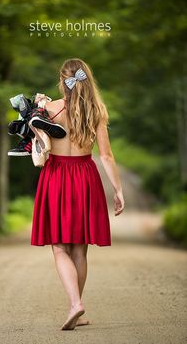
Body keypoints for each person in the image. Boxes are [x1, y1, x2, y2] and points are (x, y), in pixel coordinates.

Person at [30, 58, 125, 330]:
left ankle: (75, 305)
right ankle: (77, 308)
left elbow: (36, 143)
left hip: (56, 177)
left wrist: (38, 109)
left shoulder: (49, 109)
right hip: (85, 176)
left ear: (63, 80)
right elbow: (106, 156)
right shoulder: (97, 110)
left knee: (59, 246)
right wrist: (118, 189)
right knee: (80, 249)